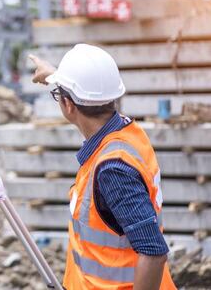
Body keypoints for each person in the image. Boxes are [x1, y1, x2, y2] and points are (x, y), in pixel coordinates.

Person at [29, 44, 176, 290]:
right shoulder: (125, 134)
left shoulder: (113, 170)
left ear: (67, 105)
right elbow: (89, 90)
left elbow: (153, 251)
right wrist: (56, 77)